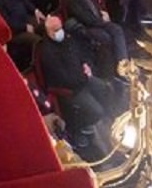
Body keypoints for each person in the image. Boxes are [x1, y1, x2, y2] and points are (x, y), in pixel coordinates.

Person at [36, 15, 117, 145]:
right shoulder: (47, 52)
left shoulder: (67, 38)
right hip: (70, 89)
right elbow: (62, 77)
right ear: (49, 32)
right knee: (96, 111)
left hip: (82, 77)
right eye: (56, 30)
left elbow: (80, 53)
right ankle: (79, 128)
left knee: (105, 88)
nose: (60, 32)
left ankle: (108, 116)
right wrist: (84, 77)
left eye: (60, 28)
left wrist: (86, 65)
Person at [62, 0, 129, 73]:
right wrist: (101, 21)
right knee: (106, 37)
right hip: (88, 26)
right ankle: (111, 69)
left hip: (98, 18)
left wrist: (102, 11)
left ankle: (123, 65)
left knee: (117, 29)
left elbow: (95, 2)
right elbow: (84, 18)